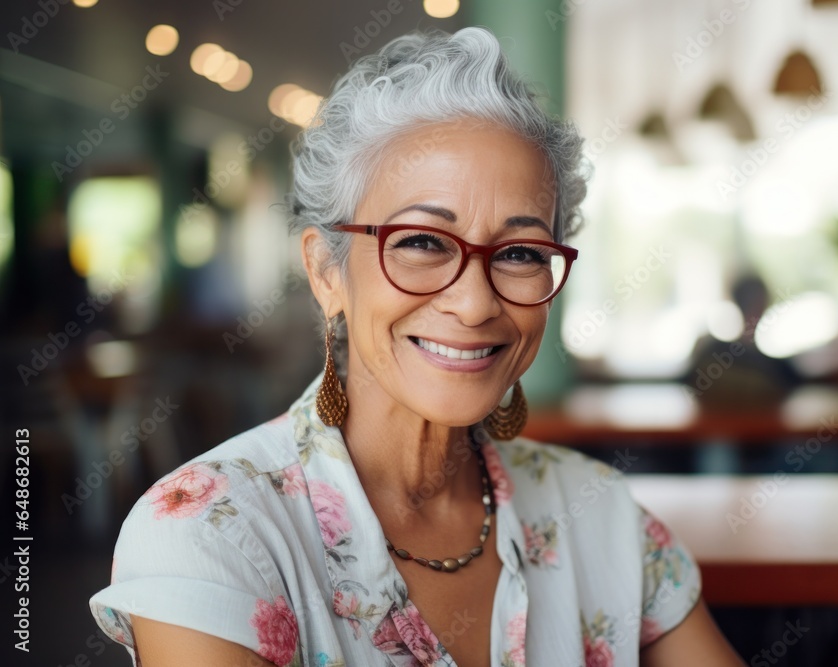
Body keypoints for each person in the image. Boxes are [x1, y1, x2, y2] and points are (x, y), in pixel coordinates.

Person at [90, 27, 744, 666]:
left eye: (519, 252)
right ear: (326, 272)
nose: (475, 301)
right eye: (423, 242)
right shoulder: (209, 535)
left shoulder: (601, 515)